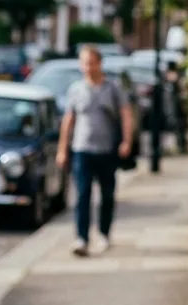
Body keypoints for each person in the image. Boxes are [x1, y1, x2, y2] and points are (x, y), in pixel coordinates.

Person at [56, 46, 134, 257]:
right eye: (84, 63)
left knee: (107, 195)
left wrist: (127, 141)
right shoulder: (76, 89)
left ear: (99, 63)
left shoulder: (113, 88)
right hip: (82, 149)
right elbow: (68, 120)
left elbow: (126, 114)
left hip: (107, 150)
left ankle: (104, 233)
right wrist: (63, 149)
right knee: (82, 195)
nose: (88, 67)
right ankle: (82, 238)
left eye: (91, 62)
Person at [165, 66, 188, 154]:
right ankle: (180, 145)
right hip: (174, 109)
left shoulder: (178, 82)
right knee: (178, 129)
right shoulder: (170, 83)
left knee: (181, 128)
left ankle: (182, 146)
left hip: (179, 110)